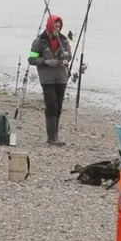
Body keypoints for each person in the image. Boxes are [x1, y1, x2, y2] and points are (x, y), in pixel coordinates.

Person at [29, 15, 74, 146]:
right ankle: (51, 137)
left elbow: (69, 56)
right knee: (51, 105)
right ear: (49, 26)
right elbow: (32, 59)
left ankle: (55, 136)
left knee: (58, 106)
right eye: (55, 26)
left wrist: (66, 57)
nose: (57, 29)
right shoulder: (39, 42)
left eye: (59, 27)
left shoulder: (64, 40)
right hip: (47, 78)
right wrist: (47, 62)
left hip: (62, 77)